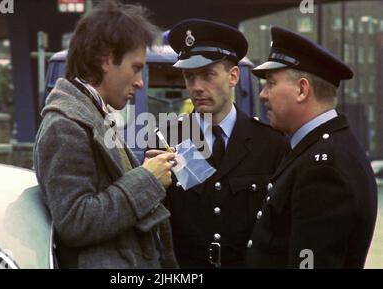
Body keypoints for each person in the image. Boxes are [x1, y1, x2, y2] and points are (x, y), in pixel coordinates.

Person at [33, 0, 178, 269]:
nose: (140, 82)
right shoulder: (64, 125)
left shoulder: (91, 114)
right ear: (106, 60)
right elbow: (75, 221)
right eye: (136, 68)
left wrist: (145, 171)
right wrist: (147, 179)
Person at [146, 19, 289, 268]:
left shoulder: (271, 144)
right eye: (190, 77)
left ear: (233, 76)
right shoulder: (168, 139)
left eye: (208, 75)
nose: (197, 87)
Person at [246, 26, 378, 269]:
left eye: (271, 83)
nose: (263, 95)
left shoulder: (322, 168)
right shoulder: (321, 150)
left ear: (302, 89)